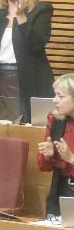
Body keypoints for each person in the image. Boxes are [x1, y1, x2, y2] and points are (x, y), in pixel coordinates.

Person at [37, 73, 74, 219]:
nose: (54, 100)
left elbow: (69, 158)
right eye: (55, 95)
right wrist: (49, 156)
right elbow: (43, 167)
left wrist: (71, 158)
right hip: (60, 189)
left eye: (61, 96)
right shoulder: (55, 119)